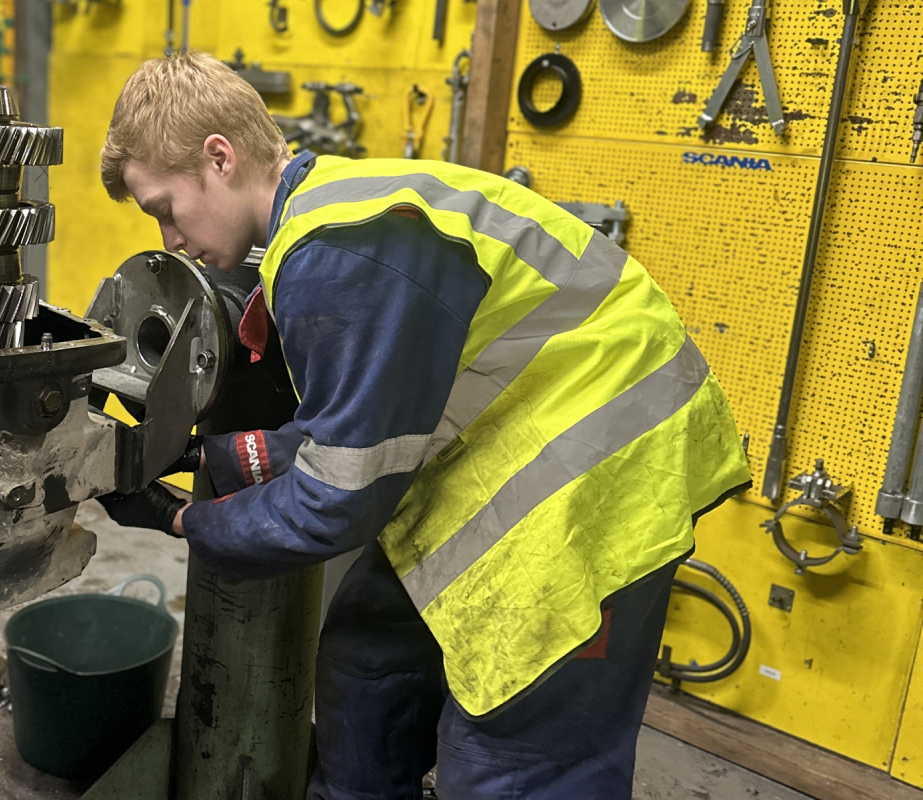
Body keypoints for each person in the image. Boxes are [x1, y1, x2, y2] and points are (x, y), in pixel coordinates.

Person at [95, 52, 751, 800]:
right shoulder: (327, 213)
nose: (169, 240)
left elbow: (334, 501)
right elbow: (353, 435)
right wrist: (196, 453)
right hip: (501, 444)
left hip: (599, 481)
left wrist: (186, 522)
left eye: (164, 210)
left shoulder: (336, 253)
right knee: (369, 657)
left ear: (219, 158)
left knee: (511, 759)